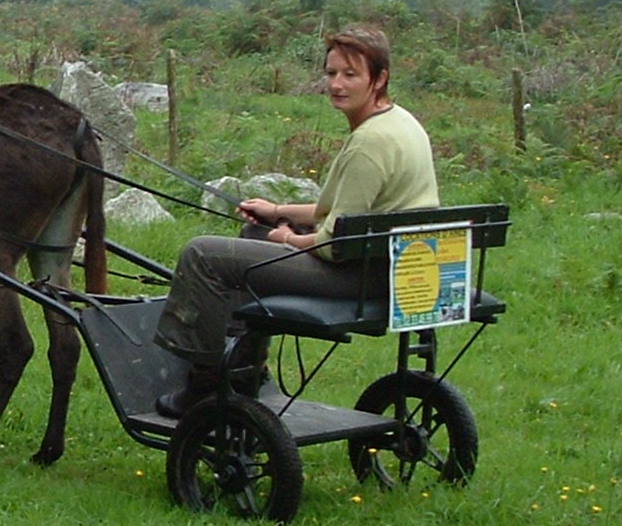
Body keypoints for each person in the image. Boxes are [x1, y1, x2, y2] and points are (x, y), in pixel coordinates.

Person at [152, 26, 438, 417]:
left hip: (358, 275)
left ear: (379, 77)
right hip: (394, 264)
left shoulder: (370, 144)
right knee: (253, 232)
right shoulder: (400, 123)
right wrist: (276, 211)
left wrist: (286, 237)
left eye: (350, 75)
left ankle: (204, 384)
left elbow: (333, 245)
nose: (336, 84)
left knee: (202, 253)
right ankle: (245, 369)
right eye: (331, 73)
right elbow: (339, 210)